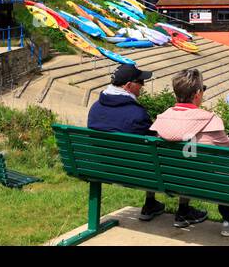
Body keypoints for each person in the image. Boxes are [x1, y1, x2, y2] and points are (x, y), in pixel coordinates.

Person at [86, 63, 205, 225]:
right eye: (140, 82)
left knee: (149, 158)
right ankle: (183, 210)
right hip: (137, 172)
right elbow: (156, 143)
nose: (143, 86)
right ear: (128, 86)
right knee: (183, 155)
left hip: (103, 168)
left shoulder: (95, 109)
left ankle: (150, 205)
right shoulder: (136, 114)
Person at [151, 69, 229, 237]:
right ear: (197, 93)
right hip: (205, 183)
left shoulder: (161, 119)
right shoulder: (211, 120)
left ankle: (184, 211)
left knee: (192, 160)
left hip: (172, 179)